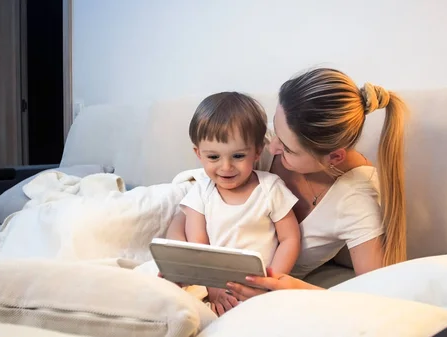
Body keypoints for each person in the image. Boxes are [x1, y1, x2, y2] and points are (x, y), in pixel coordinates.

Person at [167, 67, 408, 303]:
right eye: (275, 130)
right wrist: (181, 261)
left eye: (287, 148)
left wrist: (290, 287)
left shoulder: (357, 201)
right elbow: (191, 207)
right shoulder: (255, 144)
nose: (270, 147)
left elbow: (374, 298)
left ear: (334, 157)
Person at [177, 91, 302, 315]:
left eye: (237, 156)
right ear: (198, 154)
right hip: (211, 285)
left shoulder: (270, 188)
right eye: (213, 157)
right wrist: (213, 287)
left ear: (256, 152)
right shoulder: (201, 192)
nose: (226, 167)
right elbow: (197, 247)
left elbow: (290, 238)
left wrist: (271, 281)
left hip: (259, 287)